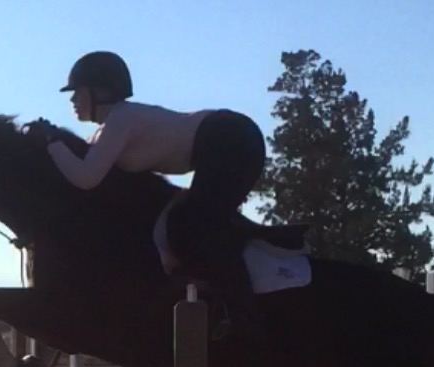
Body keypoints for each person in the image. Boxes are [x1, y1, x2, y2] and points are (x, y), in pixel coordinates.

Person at [41, 50, 267, 345]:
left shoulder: (121, 119)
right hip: (222, 138)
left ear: (101, 92)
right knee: (186, 221)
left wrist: (52, 143)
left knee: (192, 224)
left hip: (231, 137)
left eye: (78, 93)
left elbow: (85, 178)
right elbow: (86, 165)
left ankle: (242, 317)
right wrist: (56, 142)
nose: (72, 100)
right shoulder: (109, 129)